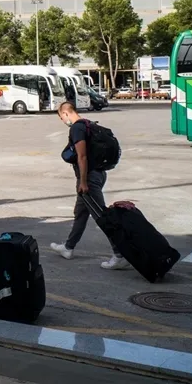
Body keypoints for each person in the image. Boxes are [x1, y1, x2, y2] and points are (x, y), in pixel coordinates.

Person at [50, 102, 129, 270]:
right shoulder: (89, 124)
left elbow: (82, 156)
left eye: (61, 118)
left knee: (101, 217)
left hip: (89, 178)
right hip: (99, 174)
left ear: (65, 113)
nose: (63, 121)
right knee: (81, 213)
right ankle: (68, 247)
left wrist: (83, 181)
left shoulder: (77, 128)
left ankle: (119, 254)